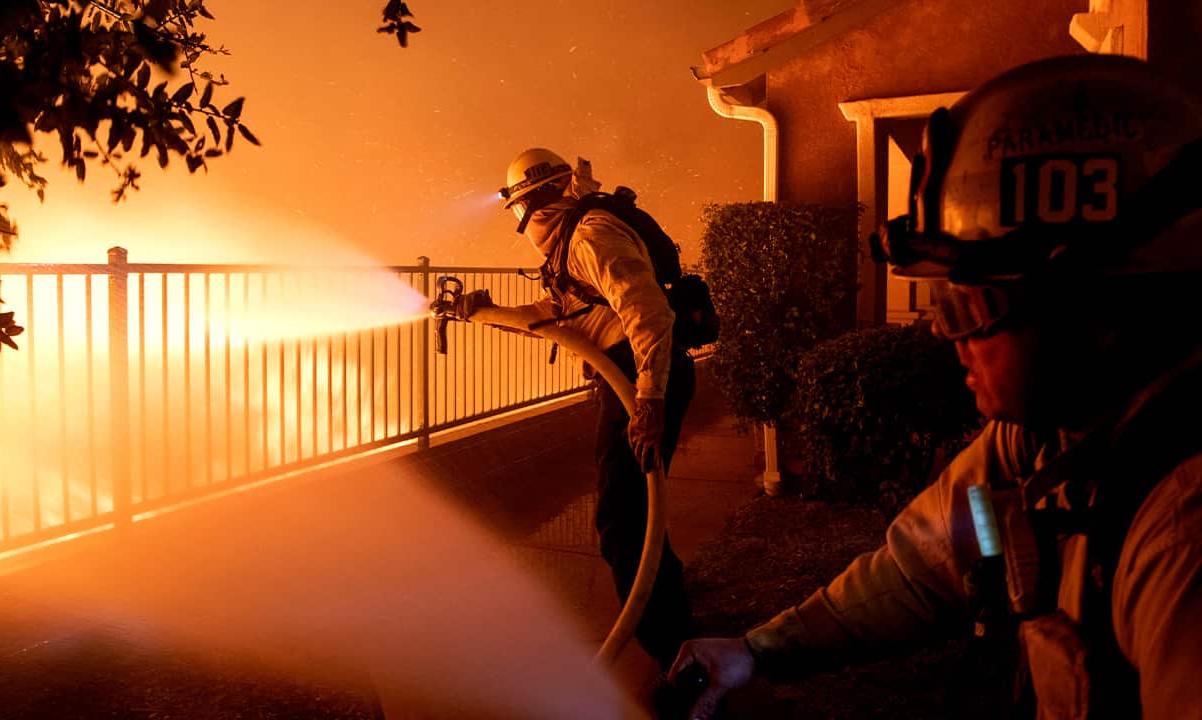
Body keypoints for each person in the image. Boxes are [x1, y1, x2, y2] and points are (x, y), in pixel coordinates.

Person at [669, 54, 1202, 719]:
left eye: (973, 302)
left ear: (1092, 309)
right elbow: (928, 564)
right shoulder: (1040, 440)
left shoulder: (1184, 535)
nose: (946, 333)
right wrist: (756, 651)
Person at [453, 148, 698, 672]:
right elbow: (559, 315)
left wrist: (649, 400)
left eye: (521, 209)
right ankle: (678, 632)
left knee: (624, 523)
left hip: (640, 379)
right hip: (631, 379)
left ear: (531, 203)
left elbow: (648, 310)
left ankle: (681, 661)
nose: (523, 224)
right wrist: (483, 314)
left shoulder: (589, 236)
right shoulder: (573, 242)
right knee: (637, 517)